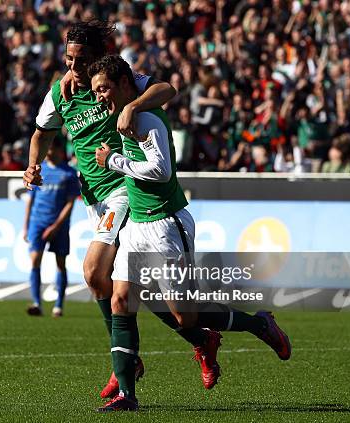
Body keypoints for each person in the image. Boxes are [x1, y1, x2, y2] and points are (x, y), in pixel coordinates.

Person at [22, 20, 221, 399]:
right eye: (69, 59)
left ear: (99, 57)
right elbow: (41, 134)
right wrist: (34, 164)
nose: (74, 67)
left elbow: (168, 89)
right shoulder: (60, 94)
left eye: (81, 60)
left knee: (94, 271)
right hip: (92, 198)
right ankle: (198, 340)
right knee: (111, 287)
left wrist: (131, 105)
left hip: (123, 189)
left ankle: (126, 364)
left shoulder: (113, 81)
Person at [91, 55, 292, 412]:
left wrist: (113, 161)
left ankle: (258, 324)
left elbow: (161, 171)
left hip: (167, 225)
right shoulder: (132, 103)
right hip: (138, 222)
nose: (99, 98)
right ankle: (127, 394)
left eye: (103, 89)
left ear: (124, 84)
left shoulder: (146, 117)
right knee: (120, 298)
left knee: (186, 316)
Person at [23, 138, 79, 317]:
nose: (47, 153)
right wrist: (26, 226)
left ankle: (58, 306)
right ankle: (37, 303)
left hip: (59, 226)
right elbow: (30, 199)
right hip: (38, 222)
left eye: (50, 149)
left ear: (58, 151)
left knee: (60, 264)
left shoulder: (69, 173)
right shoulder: (40, 170)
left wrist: (56, 226)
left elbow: (70, 203)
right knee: (34, 260)